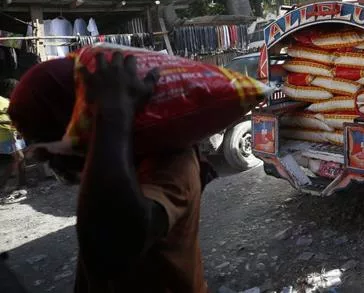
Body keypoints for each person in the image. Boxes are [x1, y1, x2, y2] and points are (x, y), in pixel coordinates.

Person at [8, 54, 214, 292]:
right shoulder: (107, 155)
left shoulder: (169, 160)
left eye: (48, 135)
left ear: (83, 118)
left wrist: (113, 115)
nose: (41, 155)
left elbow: (111, 247)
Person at [0, 79, 26, 196]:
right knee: (19, 158)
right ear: (9, 90)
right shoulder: (1, 101)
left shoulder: (12, 101)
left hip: (15, 133)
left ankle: (18, 183)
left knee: (18, 158)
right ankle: (21, 184)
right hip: (6, 134)